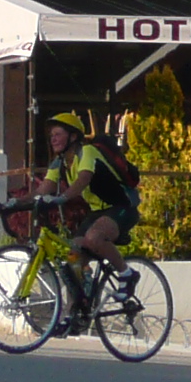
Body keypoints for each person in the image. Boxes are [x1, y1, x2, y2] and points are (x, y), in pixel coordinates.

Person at [37, 110, 139, 278]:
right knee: (73, 260)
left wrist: (61, 198)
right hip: (96, 213)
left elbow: (83, 179)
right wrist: (13, 203)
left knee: (93, 238)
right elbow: (42, 189)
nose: (52, 139)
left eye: (58, 134)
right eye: (51, 135)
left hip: (122, 208)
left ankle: (127, 274)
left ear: (73, 137)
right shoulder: (59, 163)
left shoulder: (88, 151)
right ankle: (82, 299)